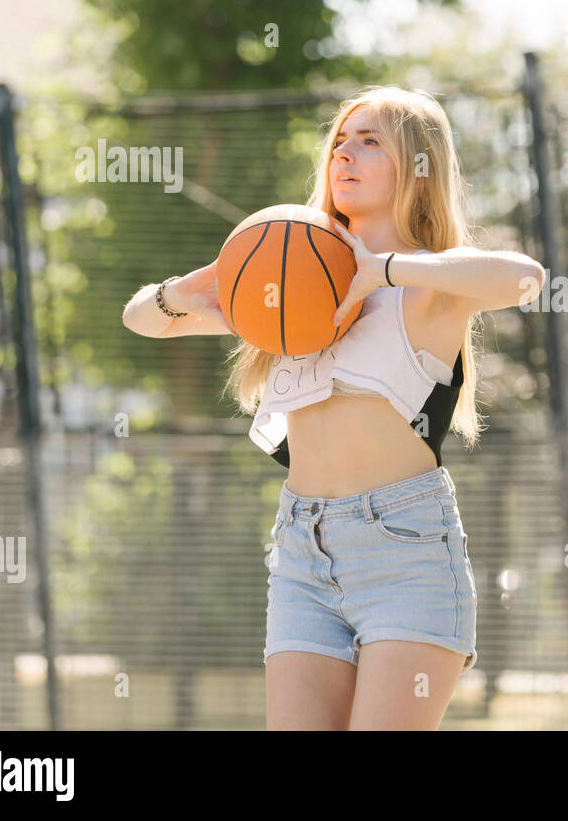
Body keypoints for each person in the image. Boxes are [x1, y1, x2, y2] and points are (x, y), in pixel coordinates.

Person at [122, 85, 545, 729]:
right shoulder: (290, 281)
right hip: (300, 548)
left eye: (370, 141)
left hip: (405, 547)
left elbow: (524, 278)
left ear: (418, 166)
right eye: (340, 141)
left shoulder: (429, 287)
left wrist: (384, 271)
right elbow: (141, 319)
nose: (344, 154)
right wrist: (189, 288)